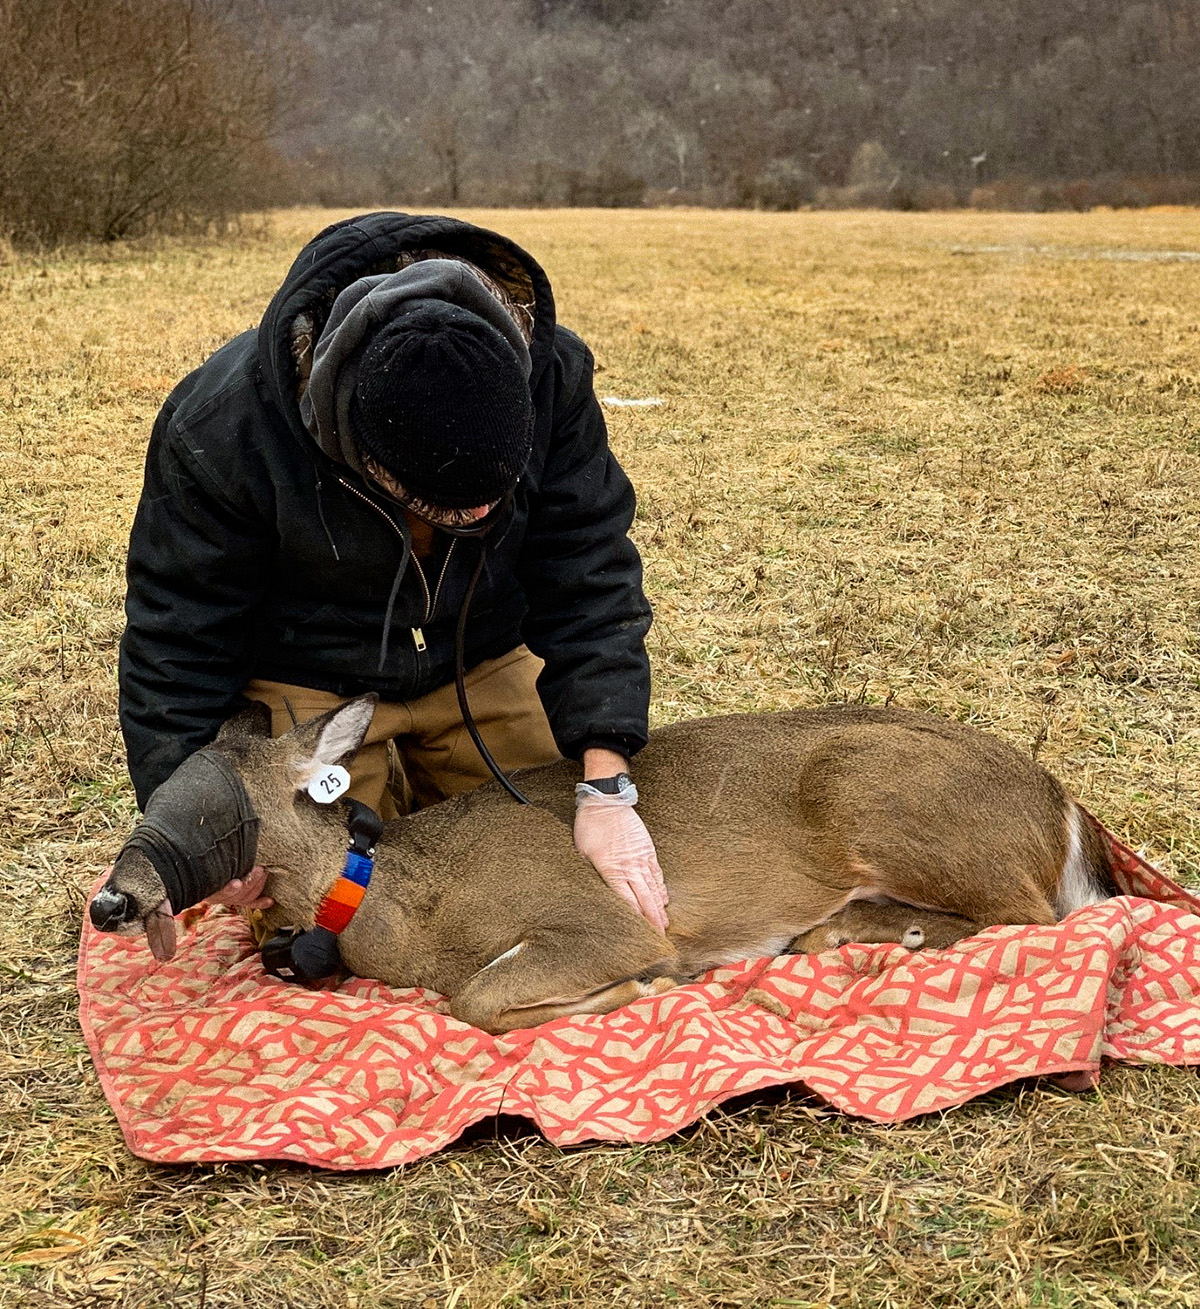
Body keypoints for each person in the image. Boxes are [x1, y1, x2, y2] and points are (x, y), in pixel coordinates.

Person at [118, 212, 666, 931]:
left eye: (491, 501)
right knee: (329, 916)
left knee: (561, 860)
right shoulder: (221, 427)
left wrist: (607, 788)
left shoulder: (552, 374)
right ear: (352, 445)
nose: (476, 520)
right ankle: (382, 779)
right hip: (313, 671)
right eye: (444, 508)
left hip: (483, 649)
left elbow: (590, 569)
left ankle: (438, 767)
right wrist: (202, 825)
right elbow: (176, 638)